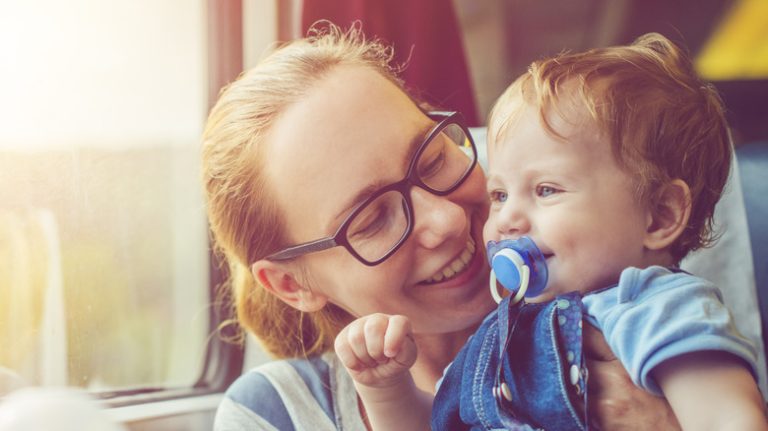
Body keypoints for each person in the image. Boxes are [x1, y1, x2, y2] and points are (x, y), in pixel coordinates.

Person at [204, 23, 681, 431]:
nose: (449, 219)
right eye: (371, 218)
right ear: (291, 284)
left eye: (432, 160)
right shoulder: (274, 413)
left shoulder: (615, 292)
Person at [334, 33, 768, 430]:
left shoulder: (659, 312)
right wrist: (386, 391)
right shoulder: (497, 334)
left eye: (546, 190)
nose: (506, 219)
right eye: (500, 194)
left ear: (659, 216)